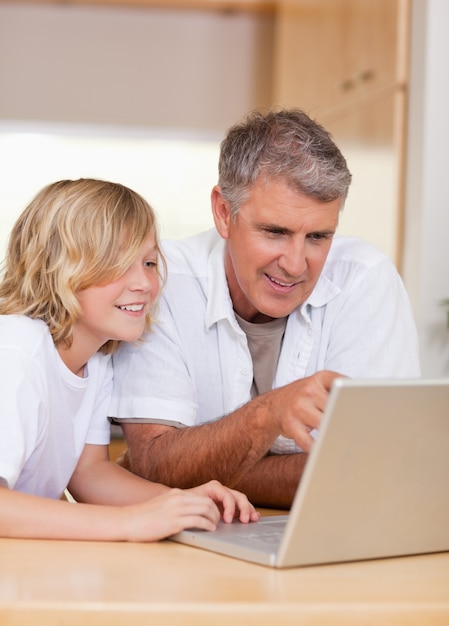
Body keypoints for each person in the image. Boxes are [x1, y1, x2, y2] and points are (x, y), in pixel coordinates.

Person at [110, 108, 421, 509]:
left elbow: (375, 471)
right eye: (275, 232)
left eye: (318, 236)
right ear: (224, 212)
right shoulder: (161, 283)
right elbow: (157, 462)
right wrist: (269, 414)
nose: (294, 264)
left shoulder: (364, 278)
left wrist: (198, 467)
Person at [0, 178, 259, 541]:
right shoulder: (15, 350)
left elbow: (89, 473)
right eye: (118, 264)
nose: (144, 283)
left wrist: (181, 501)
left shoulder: (98, 357)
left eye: (150, 262)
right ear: (59, 268)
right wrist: (130, 524)